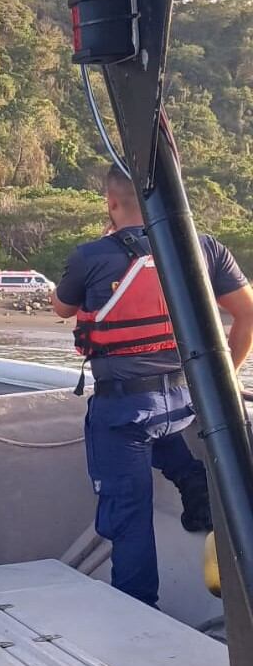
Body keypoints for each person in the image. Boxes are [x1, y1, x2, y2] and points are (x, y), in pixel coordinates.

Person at [52, 165, 253, 607]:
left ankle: (137, 607)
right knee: (158, 429)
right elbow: (247, 312)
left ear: (110, 202)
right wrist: (226, 377)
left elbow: (61, 307)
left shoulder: (90, 256)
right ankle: (191, 479)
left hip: (126, 411)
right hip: (184, 402)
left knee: (129, 516)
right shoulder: (202, 248)